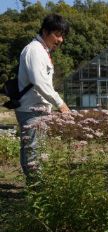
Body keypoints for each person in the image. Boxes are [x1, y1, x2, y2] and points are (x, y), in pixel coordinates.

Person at [15, 14, 70, 177]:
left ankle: (37, 187)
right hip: (30, 110)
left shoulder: (42, 51)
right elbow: (38, 81)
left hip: (38, 109)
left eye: (63, 36)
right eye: (57, 34)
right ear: (45, 32)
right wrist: (60, 103)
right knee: (33, 151)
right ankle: (35, 190)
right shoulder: (34, 50)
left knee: (36, 150)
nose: (60, 40)